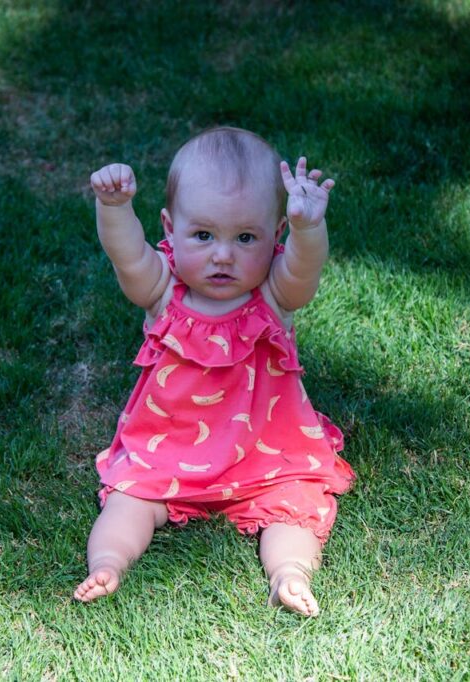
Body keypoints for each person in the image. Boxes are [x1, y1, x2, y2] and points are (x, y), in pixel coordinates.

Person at [74, 127, 355, 616]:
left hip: (265, 453)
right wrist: (114, 209)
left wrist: (310, 231)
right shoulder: (162, 292)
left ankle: (288, 573)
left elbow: (303, 272)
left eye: (246, 237)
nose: (222, 255)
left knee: (293, 508)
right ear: (168, 228)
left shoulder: (273, 296)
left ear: (275, 237)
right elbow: (127, 255)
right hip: (170, 450)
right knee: (130, 501)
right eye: (202, 235)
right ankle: (109, 563)